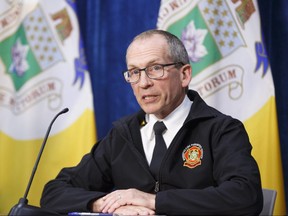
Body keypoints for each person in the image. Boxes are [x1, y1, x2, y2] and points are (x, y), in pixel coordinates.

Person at [40, 29, 263, 215]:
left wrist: (153, 201)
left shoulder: (221, 129)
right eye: (134, 72)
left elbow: (245, 196)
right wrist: (107, 205)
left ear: (184, 75)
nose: (143, 83)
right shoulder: (123, 134)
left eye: (155, 68)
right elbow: (54, 192)